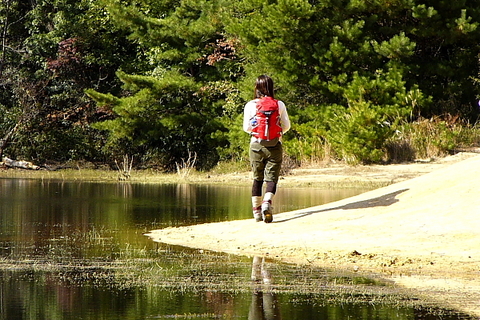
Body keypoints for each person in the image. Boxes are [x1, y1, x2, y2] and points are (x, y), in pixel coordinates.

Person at [243, 75, 291, 223]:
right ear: (271, 87)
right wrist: (277, 133)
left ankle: (256, 212)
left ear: (256, 88)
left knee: (257, 179)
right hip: (275, 145)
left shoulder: (250, 105)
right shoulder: (279, 104)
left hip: (256, 145)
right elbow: (287, 126)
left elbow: (246, 128)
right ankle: (266, 202)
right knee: (272, 178)